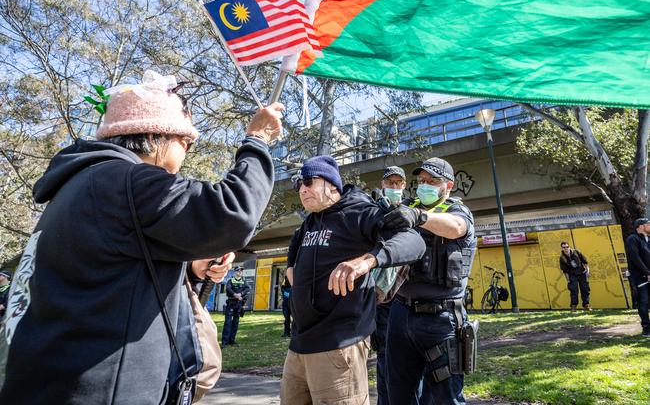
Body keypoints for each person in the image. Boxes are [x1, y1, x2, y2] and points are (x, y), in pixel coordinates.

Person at [0, 70, 284, 404]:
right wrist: (257, 141)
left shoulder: (83, 184)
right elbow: (232, 213)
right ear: (156, 136)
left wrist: (192, 267)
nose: (186, 153)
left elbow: (113, 273)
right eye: (185, 142)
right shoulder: (129, 181)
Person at [281, 156, 425, 405]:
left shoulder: (361, 212)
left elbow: (414, 242)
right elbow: (293, 252)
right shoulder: (310, 222)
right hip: (297, 347)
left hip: (338, 345)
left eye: (308, 181)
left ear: (332, 185)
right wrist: (291, 271)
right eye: (298, 185)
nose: (302, 189)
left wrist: (366, 261)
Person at [382, 156, 477, 405]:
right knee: (398, 393)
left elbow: (456, 227)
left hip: (442, 319)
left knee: (445, 397)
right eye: (421, 180)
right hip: (400, 314)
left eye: (432, 180)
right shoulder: (406, 207)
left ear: (449, 185)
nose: (424, 185)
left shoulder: (457, 211)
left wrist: (419, 217)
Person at [373, 165, 407, 405]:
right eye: (390, 183)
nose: (394, 187)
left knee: (404, 361)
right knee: (384, 358)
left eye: (398, 183)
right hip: (379, 298)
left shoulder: (410, 212)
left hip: (404, 298)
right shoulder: (373, 213)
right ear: (382, 184)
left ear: (404, 186)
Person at [624, 217, 650, 337]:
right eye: (648, 224)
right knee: (643, 302)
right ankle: (646, 329)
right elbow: (635, 258)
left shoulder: (647, 239)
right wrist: (647, 273)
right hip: (640, 277)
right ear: (640, 226)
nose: (649, 225)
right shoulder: (632, 239)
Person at [221, 266, 251, 347]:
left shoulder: (243, 281)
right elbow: (228, 289)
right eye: (238, 271)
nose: (239, 272)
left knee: (235, 323)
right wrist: (235, 295)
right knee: (228, 323)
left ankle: (232, 340)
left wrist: (241, 294)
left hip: (239, 305)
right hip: (231, 303)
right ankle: (224, 342)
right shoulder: (230, 281)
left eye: (241, 271)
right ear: (235, 272)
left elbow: (247, 289)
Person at [559, 242, 591, 311]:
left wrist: (587, 271)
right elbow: (565, 271)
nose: (566, 248)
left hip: (582, 273)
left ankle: (586, 305)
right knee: (574, 290)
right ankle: (573, 306)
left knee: (585, 289)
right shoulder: (562, 258)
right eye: (564, 247)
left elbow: (585, 262)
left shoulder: (576, 252)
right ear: (562, 248)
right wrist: (568, 280)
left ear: (569, 247)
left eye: (567, 247)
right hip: (572, 275)